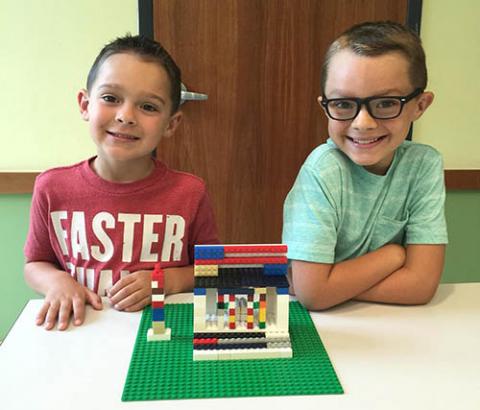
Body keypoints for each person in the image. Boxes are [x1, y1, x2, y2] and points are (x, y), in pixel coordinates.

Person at [24, 34, 219, 330]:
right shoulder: (51, 187)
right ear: (85, 105)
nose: (126, 116)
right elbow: (34, 265)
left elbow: (212, 269)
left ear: (171, 123)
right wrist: (58, 281)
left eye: (148, 107)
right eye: (111, 99)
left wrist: (166, 280)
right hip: (80, 330)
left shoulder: (190, 192)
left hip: (163, 334)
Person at [282, 21, 448, 310]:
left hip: (396, 327)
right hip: (326, 330)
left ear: (420, 105)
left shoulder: (424, 165)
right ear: (325, 105)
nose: (363, 123)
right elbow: (313, 294)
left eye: (385, 103)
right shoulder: (322, 170)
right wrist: (395, 256)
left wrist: (333, 284)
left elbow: (421, 285)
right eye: (344, 104)